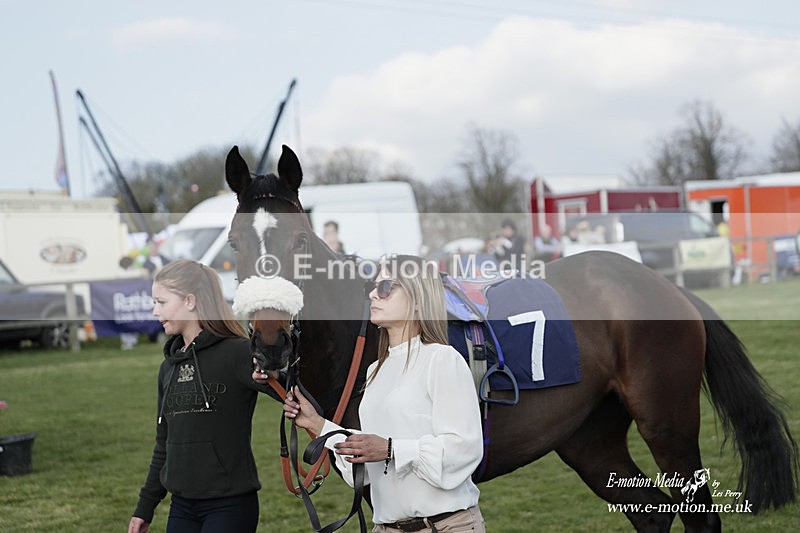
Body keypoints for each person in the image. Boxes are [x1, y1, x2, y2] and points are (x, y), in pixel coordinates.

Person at [281, 254, 485, 532]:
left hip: (446, 526)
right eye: (372, 287)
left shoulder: (442, 359)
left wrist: (390, 449)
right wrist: (317, 424)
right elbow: (368, 461)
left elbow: (464, 450)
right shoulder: (375, 370)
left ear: (418, 300)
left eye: (386, 287)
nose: (373, 295)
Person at [129, 259, 276, 533]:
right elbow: (163, 444)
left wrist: (274, 372)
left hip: (229, 506)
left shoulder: (237, 352)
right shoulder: (168, 368)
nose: (155, 311)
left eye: (161, 302)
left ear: (190, 301)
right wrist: (144, 507)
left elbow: (289, 391)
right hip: (182, 507)